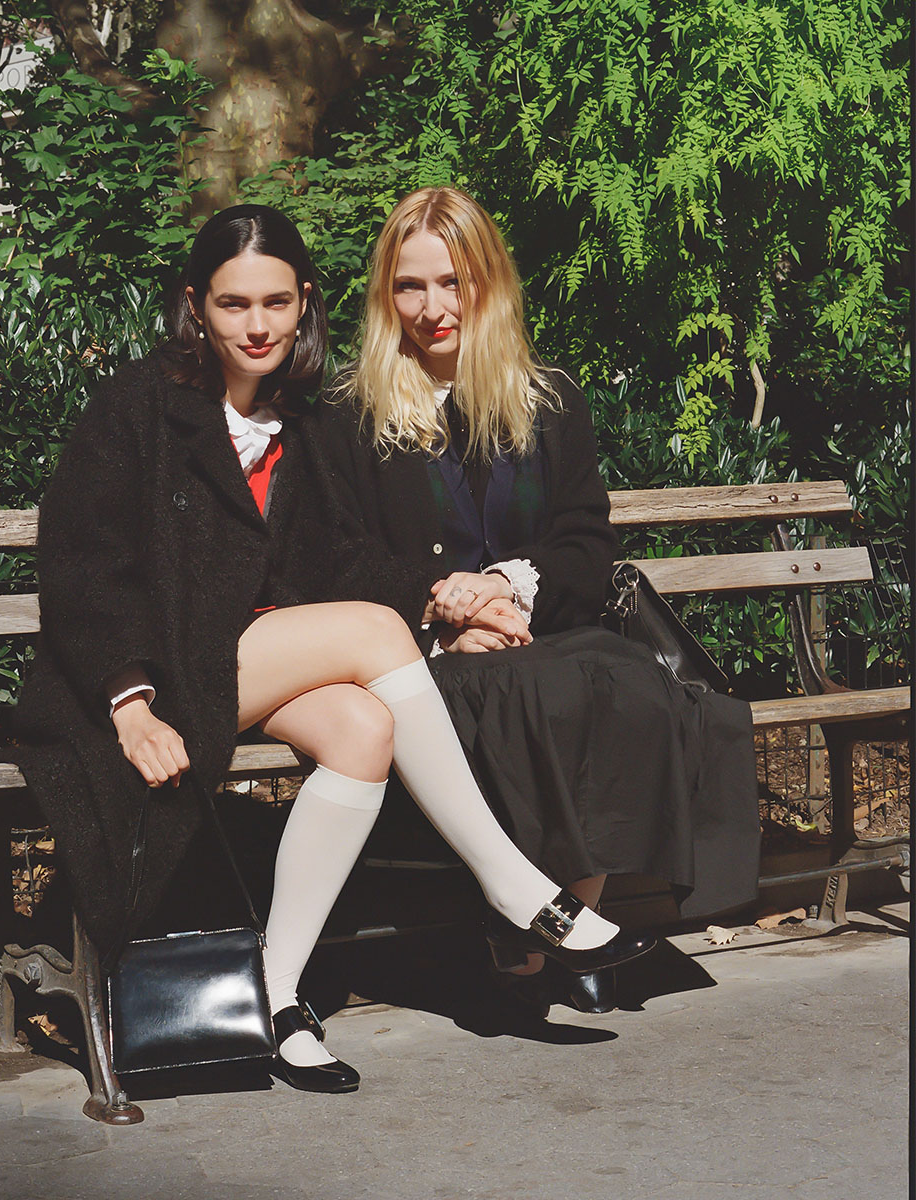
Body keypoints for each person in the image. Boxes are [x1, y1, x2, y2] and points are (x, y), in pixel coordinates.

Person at [11, 204, 655, 1095]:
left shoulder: (298, 420)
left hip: (248, 660)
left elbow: (337, 559)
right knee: (371, 631)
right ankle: (514, 886)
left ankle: (273, 999)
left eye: (277, 302)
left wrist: (445, 610)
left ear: (305, 302)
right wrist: (129, 702)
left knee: (362, 727)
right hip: (150, 674)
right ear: (195, 305)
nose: (258, 325)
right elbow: (83, 566)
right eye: (234, 304)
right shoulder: (140, 408)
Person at [317, 186, 760, 1015]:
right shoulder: (352, 412)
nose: (432, 307)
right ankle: (545, 928)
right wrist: (442, 613)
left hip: (542, 630)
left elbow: (587, 544)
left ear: (489, 282)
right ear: (386, 296)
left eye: (453, 282)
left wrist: (506, 590)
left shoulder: (547, 399)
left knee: (629, 682)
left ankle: (562, 919)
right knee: (548, 692)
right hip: (423, 656)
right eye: (410, 287)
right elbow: (337, 557)